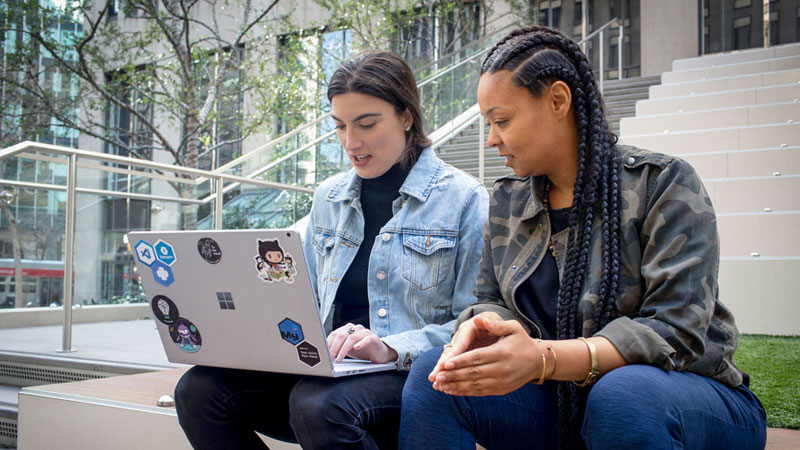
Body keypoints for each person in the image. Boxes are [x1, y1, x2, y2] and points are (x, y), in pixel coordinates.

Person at [399, 26, 767, 450]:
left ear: (558, 101)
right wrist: (482, 331)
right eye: (488, 123)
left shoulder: (663, 184)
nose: (491, 139)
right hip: (564, 402)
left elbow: (675, 331)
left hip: (686, 397)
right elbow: (492, 301)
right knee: (438, 377)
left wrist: (542, 359)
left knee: (621, 396)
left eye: (501, 120)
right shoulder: (506, 200)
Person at [174, 50, 489, 450]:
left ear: (407, 116)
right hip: (328, 370)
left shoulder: (464, 200)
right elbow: (298, 300)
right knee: (198, 390)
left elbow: (472, 326)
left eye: (367, 124)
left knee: (317, 406)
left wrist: (389, 347)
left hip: (408, 377)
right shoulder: (329, 197)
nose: (350, 142)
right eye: (339, 126)